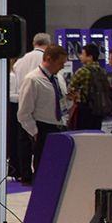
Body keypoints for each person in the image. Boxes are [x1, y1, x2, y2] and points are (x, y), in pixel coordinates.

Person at [16, 43, 68, 183]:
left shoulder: (58, 78)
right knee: (43, 172)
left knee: (59, 172)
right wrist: (35, 133)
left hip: (60, 127)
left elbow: (60, 105)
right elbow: (24, 112)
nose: (62, 67)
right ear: (49, 59)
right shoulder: (32, 79)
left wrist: (69, 100)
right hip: (43, 128)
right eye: (60, 63)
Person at [8, 32, 53, 182]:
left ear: (34, 43)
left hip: (22, 101)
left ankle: (25, 174)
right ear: (48, 45)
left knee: (23, 142)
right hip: (40, 105)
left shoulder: (21, 60)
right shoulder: (46, 60)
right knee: (40, 143)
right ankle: (40, 175)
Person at [67, 43, 112, 132]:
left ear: (90, 57)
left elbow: (71, 86)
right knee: (95, 133)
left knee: (82, 133)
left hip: (84, 108)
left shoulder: (82, 71)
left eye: (83, 54)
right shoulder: (102, 70)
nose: (80, 56)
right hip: (98, 107)